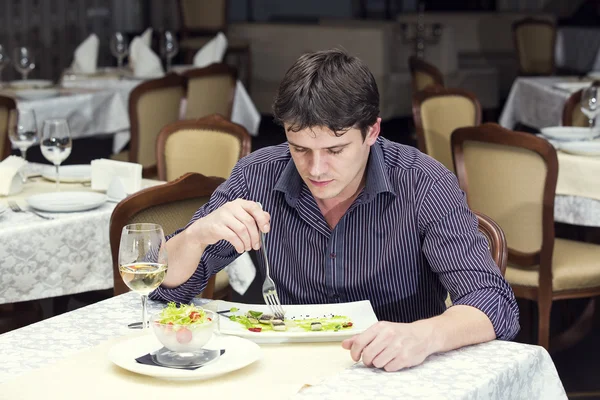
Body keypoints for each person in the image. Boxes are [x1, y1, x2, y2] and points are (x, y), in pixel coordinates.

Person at [150, 49, 520, 372]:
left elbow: (493, 302)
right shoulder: (257, 174)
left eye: (336, 150)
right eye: (300, 149)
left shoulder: (422, 183)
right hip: (286, 370)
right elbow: (167, 290)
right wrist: (196, 236)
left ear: (372, 131)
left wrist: (424, 335)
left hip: (393, 371)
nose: (316, 170)